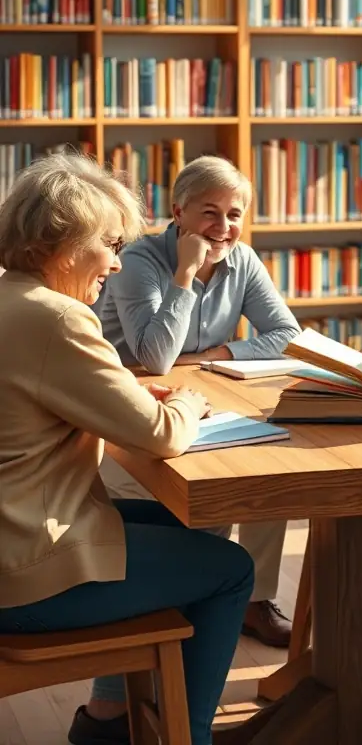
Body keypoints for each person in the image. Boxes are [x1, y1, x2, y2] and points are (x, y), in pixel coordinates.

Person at [0, 154, 255, 745]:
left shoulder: (11, 298)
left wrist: (133, 391)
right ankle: (187, 738)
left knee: (184, 523)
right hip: (28, 572)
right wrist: (188, 400)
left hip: (16, 533)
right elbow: (164, 433)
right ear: (65, 243)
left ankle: (109, 720)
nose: (116, 263)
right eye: (109, 245)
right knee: (229, 570)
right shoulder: (59, 317)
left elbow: (49, 396)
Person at [96, 155, 301, 649]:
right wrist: (185, 273)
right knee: (207, 495)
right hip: (133, 408)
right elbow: (157, 358)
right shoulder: (139, 261)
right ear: (178, 211)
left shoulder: (243, 260)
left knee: (269, 478)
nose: (224, 226)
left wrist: (219, 351)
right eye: (209, 212)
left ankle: (255, 600)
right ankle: (203, 593)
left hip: (206, 396)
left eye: (234, 214)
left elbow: (286, 333)